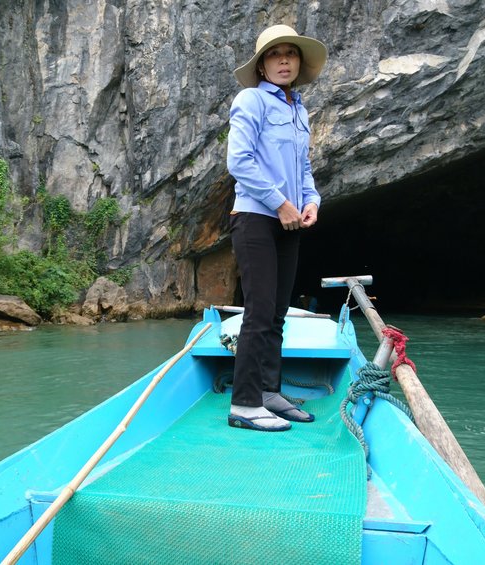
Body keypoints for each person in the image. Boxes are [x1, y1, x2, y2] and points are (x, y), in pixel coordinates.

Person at [225, 25, 327, 432]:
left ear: (299, 62)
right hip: (254, 217)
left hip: (288, 219)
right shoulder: (251, 100)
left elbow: (302, 168)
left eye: (291, 53)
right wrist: (281, 203)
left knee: (278, 313)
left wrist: (310, 202)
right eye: (274, 54)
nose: (284, 59)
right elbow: (240, 161)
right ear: (263, 66)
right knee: (259, 310)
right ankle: (245, 405)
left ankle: (269, 392)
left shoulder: (299, 109)